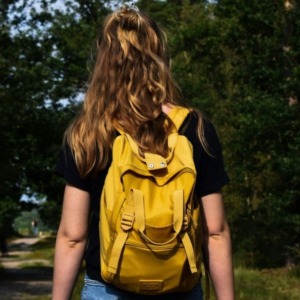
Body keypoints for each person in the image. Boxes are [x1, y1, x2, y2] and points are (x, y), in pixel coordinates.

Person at [52, 3, 234, 300]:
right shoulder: (195, 128)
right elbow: (215, 232)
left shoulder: (88, 133)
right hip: (180, 288)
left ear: (104, 63)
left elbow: (72, 237)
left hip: (107, 289)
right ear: (159, 58)